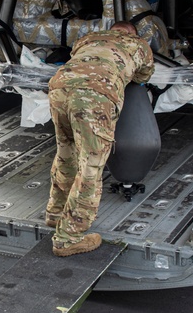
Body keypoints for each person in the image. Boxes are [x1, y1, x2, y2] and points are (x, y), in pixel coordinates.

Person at [44, 21, 155, 257]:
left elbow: (79, 58)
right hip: (95, 96)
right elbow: (144, 74)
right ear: (131, 33)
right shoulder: (137, 43)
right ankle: (68, 238)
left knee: (66, 152)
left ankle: (55, 213)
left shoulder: (88, 39)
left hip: (60, 86)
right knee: (91, 166)